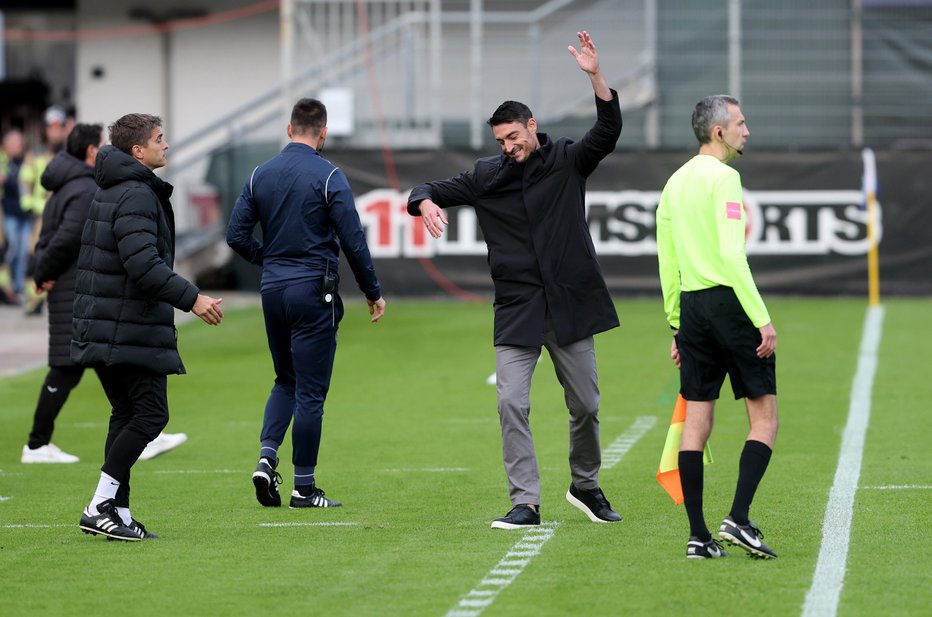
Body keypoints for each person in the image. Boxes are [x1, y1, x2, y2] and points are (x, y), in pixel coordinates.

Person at [407, 31, 622, 529]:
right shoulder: (487, 175)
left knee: (586, 405)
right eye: (501, 141)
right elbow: (429, 186)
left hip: (569, 304)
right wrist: (424, 201)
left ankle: (586, 486)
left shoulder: (568, 158)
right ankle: (525, 501)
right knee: (510, 402)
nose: (509, 147)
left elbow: (608, 130)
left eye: (514, 137)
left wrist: (595, 75)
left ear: (532, 126)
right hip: (517, 309)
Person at [227, 98, 385, 510]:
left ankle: (266, 457)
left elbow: (235, 235)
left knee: (285, 379)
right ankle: (303, 488)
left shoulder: (261, 172)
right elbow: (353, 240)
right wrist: (372, 291)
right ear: (323, 132)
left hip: (273, 290)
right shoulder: (329, 175)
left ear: (288, 129)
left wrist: (272, 260)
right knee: (310, 393)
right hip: (314, 291)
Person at [73, 113, 224, 541]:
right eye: (160, 139)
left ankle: (117, 513)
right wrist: (192, 298)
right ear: (137, 151)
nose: (167, 144)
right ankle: (100, 503)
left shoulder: (113, 188)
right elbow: (143, 265)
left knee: (126, 414)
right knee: (151, 414)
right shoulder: (136, 193)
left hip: (107, 324)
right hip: (124, 326)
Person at [655, 95, 779, 559]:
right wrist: (761, 318)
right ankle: (739, 519)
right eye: (741, 123)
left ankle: (698, 536)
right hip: (729, 306)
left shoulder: (673, 183)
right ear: (719, 132)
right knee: (764, 417)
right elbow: (731, 255)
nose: (747, 130)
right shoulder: (726, 178)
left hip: (691, 308)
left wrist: (676, 325)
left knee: (696, 422)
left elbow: (667, 263)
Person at [20, 123, 188, 464]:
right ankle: (39, 444)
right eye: (100, 145)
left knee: (105, 385)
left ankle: (108, 488)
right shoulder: (90, 188)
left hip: (85, 292)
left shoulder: (77, 185)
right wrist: (44, 271)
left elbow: (51, 235)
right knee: (75, 369)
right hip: (91, 292)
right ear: (90, 152)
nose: (104, 150)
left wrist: (42, 271)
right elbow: (68, 238)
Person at [21, 106, 70, 315]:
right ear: (46, 129)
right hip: (42, 216)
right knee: (35, 258)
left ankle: (62, 299)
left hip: (66, 215)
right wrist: (31, 204)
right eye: (52, 127)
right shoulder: (35, 155)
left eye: (59, 127)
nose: (55, 132)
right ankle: (34, 300)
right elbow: (25, 183)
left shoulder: (70, 154)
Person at [1, 129, 31, 304]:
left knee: (22, 252)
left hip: (25, 214)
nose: (17, 146)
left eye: (19, 142)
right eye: (14, 143)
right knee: (11, 250)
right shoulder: (3, 161)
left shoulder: (28, 160)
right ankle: (9, 288)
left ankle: (19, 288)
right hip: (9, 213)